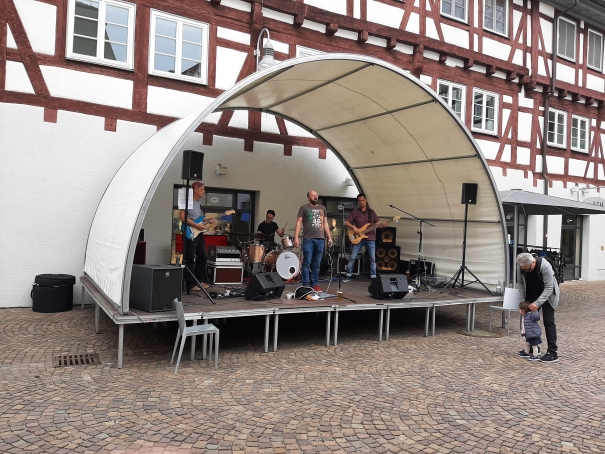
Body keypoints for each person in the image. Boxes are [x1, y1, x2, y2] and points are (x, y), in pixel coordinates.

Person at [517, 252, 560, 363]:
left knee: (548, 321)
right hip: (532, 293)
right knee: (528, 320)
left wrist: (537, 303)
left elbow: (549, 287)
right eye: (524, 270)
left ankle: (552, 352)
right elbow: (521, 285)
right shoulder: (521, 267)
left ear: (533, 262)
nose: (527, 271)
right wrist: (522, 303)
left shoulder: (545, 266)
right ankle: (533, 347)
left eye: (529, 269)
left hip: (548, 295)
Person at [342, 193, 387, 282]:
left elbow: (377, 224)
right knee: (353, 257)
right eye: (359, 201)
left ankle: (373, 276)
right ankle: (348, 275)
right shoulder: (355, 212)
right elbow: (346, 222)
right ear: (358, 202)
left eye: (363, 200)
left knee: (372, 258)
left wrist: (383, 225)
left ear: (366, 200)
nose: (361, 202)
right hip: (358, 238)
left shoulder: (371, 212)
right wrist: (353, 227)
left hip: (370, 238)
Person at [294, 190, 333, 291]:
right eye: (313, 195)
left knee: (317, 264)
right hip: (308, 239)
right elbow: (298, 223)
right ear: (308, 198)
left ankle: (314, 284)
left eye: (316, 195)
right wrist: (296, 237)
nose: (316, 197)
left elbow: (325, 224)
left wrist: (329, 238)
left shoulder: (322, 208)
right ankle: (305, 284)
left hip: (320, 240)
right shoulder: (304, 208)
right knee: (307, 263)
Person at [179, 181, 214, 290]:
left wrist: (208, 219)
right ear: (195, 189)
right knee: (190, 258)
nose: (204, 191)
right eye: (202, 189)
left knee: (203, 256)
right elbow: (182, 217)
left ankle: (198, 281)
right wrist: (196, 225)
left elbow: (199, 218)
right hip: (190, 233)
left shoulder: (198, 203)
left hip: (198, 234)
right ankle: (191, 284)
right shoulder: (187, 202)